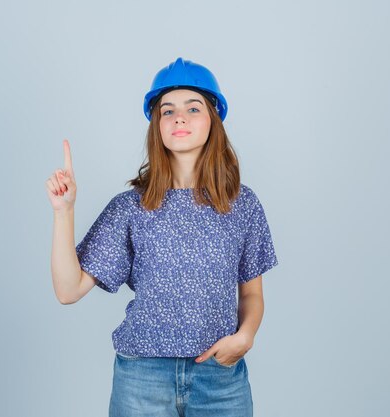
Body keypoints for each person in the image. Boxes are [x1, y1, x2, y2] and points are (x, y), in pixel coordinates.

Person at [46, 57, 278, 417]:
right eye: (167, 110)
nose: (179, 117)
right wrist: (63, 212)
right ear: (157, 126)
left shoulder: (242, 205)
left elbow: (251, 294)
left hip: (220, 378)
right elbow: (68, 289)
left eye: (192, 108)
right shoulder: (131, 207)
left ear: (213, 120)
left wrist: (245, 336)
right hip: (143, 378)